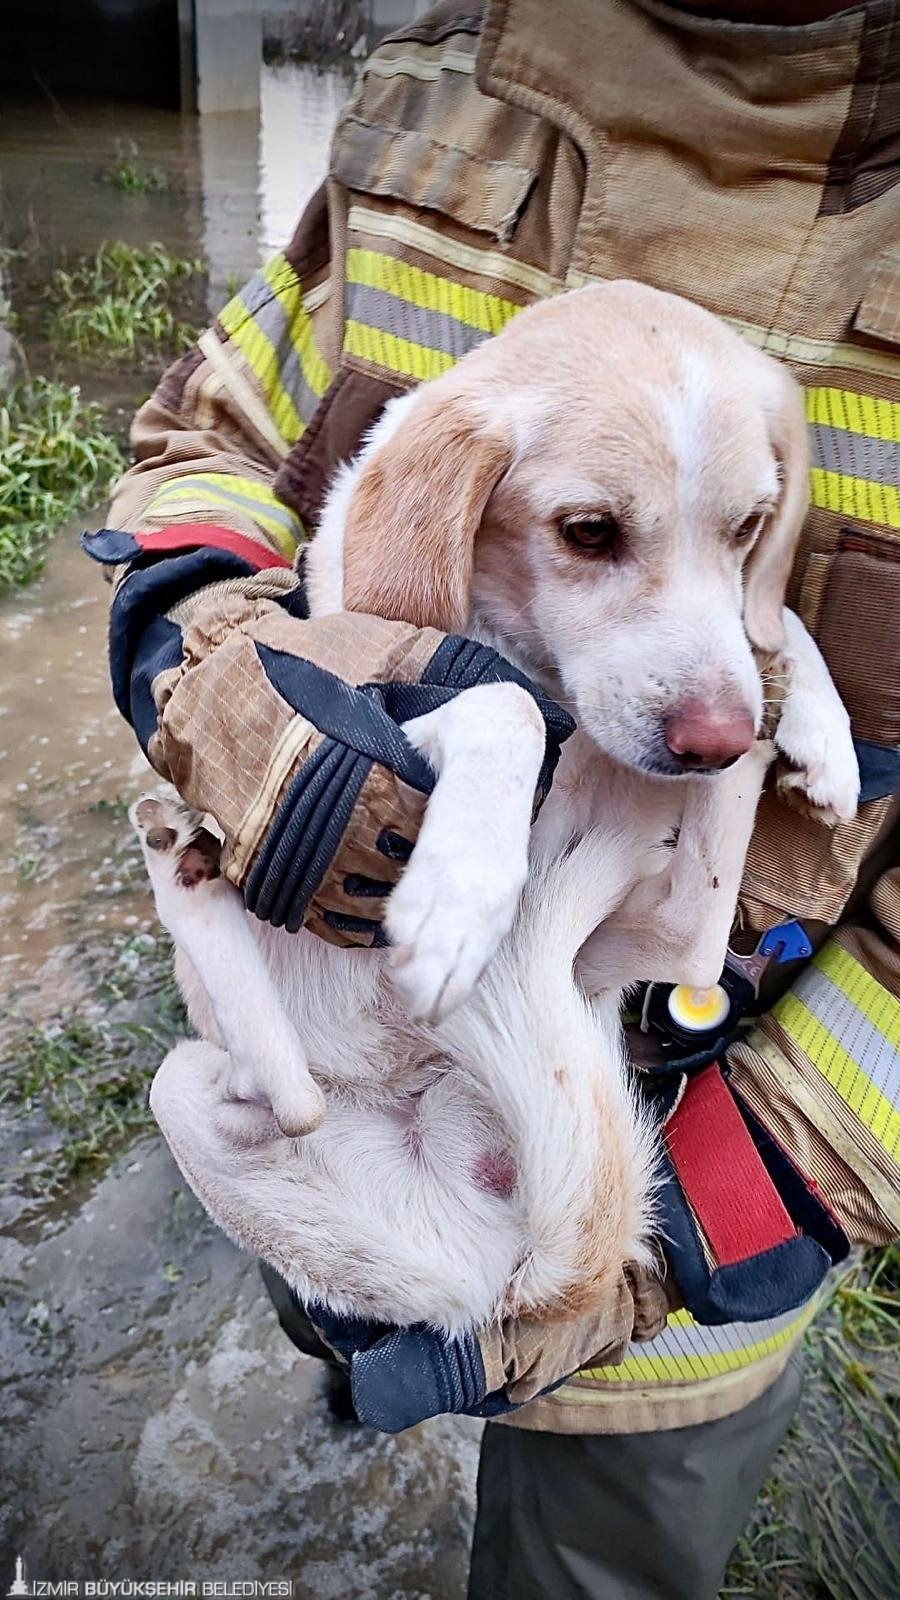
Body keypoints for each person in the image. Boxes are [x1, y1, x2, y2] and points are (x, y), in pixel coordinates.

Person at [85, 2, 899, 1594]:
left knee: (588, 1557)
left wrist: (715, 1216)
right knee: (333, 1350)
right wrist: (213, 675)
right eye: (594, 533)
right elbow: (206, 439)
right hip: (351, 1121)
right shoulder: (432, 70)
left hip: (699, 1224)